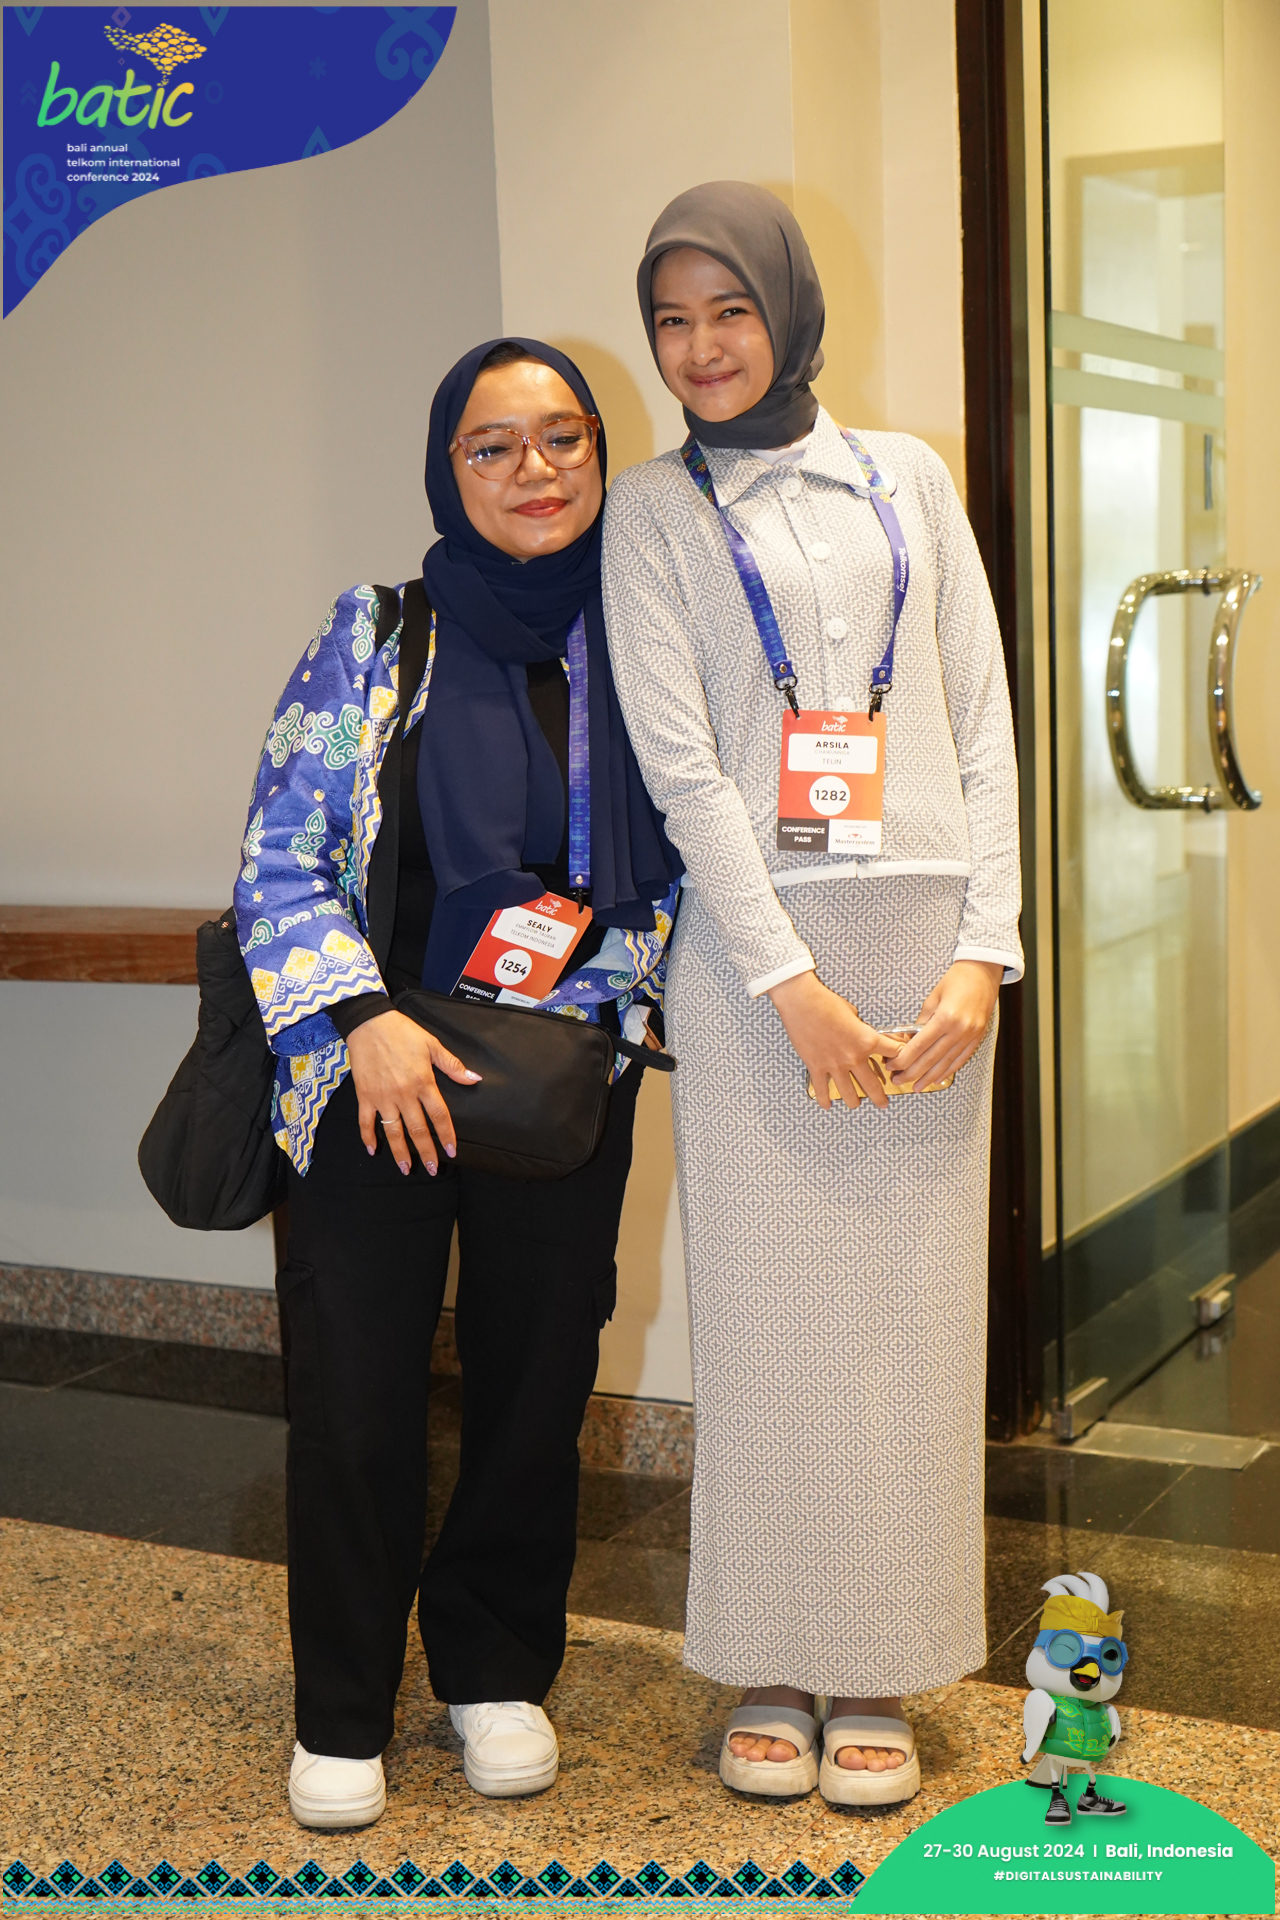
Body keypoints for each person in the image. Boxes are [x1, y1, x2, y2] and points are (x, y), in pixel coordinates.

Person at [601, 183, 1022, 1807]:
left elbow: (980, 722)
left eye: (731, 310)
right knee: (769, 1323)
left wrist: (983, 953)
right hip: (754, 960)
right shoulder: (653, 511)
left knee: (911, 1330)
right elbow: (683, 765)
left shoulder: (908, 476)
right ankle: (773, 1658)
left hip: (926, 950)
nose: (703, 347)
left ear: (788, 311)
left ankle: (882, 1663)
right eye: (672, 320)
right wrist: (789, 983)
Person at [234, 338, 681, 1830]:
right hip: (377, 1072)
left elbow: (688, 857)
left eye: (562, 438)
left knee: (535, 1385)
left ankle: (495, 1669)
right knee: (355, 1395)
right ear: (449, 469)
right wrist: (361, 1020)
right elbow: (281, 853)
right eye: (494, 446)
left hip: (558, 1076)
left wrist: (603, 1003)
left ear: (601, 453)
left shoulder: (646, 638)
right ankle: (343, 1707)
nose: (533, 469)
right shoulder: (376, 634)